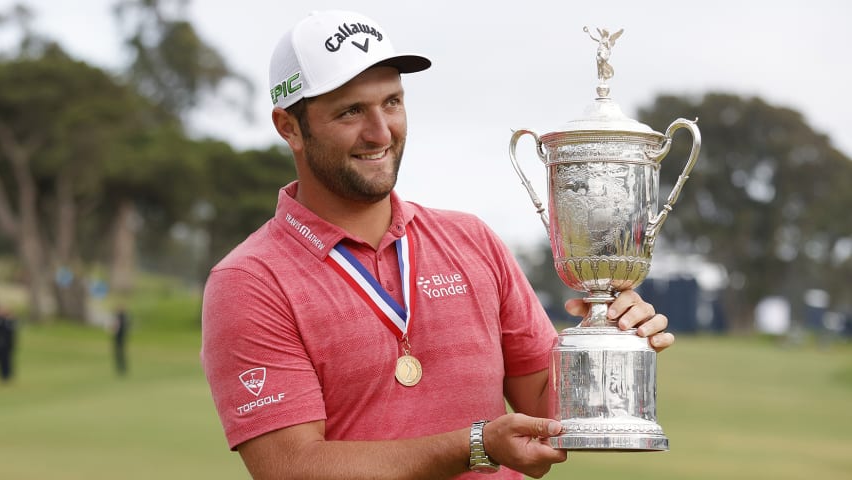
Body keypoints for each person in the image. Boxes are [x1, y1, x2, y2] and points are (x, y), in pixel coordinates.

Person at [201, 10, 675, 480]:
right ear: (288, 127)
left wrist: (612, 342)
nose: (380, 132)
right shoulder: (250, 282)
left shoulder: (471, 240)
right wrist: (476, 445)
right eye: (350, 111)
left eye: (391, 102)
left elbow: (548, 408)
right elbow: (292, 468)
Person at [0, 303, 17, 383]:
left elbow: (11, 332)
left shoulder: (9, 321)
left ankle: (6, 376)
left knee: (6, 361)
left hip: (7, 344)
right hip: (0, 344)